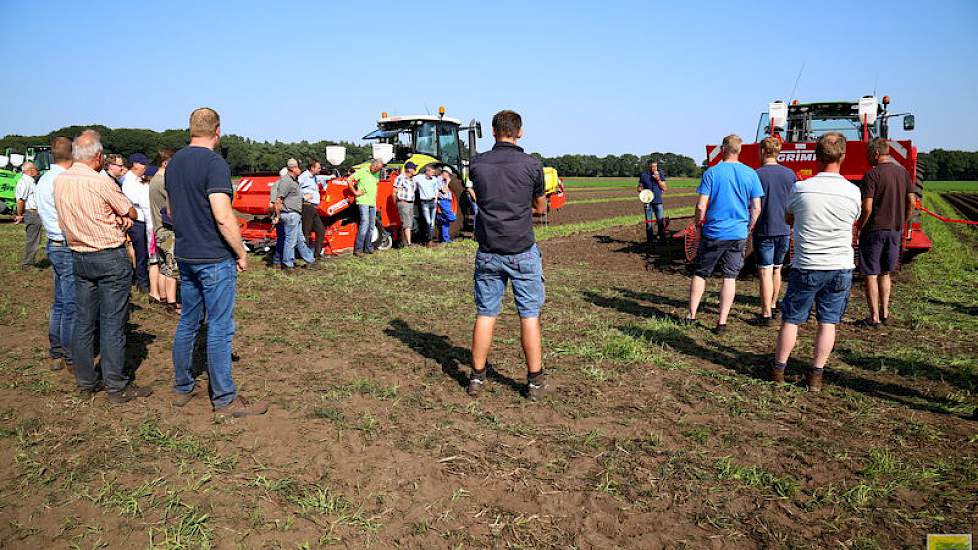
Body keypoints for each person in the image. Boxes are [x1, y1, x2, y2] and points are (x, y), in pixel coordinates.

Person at [166, 107, 267, 417]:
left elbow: (170, 209)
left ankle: (183, 386)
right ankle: (224, 398)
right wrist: (240, 251)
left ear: (191, 129)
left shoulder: (174, 164)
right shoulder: (215, 164)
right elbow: (223, 216)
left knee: (188, 322)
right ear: (218, 131)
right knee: (220, 327)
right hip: (213, 257)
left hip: (185, 254)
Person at [54, 130, 150, 403]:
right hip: (108, 256)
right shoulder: (99, 182)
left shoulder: (60, 181)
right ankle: (116, 385)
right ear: (97, 157)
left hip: (79, 256)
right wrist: (123, 218)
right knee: (112, 323)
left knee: (84, 322)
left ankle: (86, 381)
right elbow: (129, 210)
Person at [467, 110, 548, 401]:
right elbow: (540, 207)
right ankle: (535, 381)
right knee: (529, 315)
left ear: (493, 131)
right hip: (522, 250)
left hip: (488, 251)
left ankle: (476, 376)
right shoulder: (531, 164)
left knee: (486, 313)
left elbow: (481, 195)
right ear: (520, 132)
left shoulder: (477, 164)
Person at [771, 132, 861, 391]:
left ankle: (778, 370)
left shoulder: (801, 188)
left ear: (815, 155)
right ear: (843, 156)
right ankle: (816, 376)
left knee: (791, 319)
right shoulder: (853, 192)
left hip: (807, 263)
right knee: (828, 322)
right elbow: (853, 220)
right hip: (840, 266)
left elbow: (790, 219)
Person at [687, 134, 763, 334]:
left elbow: (701, 205)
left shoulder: (712, 173)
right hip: (738, 233)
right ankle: (721, 322)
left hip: (714, 232)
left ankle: (692, 315)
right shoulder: (751, 174)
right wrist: (749, 227)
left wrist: (698, 225)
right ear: (740, 150)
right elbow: (756, 208)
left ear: (723, 149)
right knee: (730, 277)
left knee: (701, 273)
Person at [858, 138, 915, 327]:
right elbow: (912, 202)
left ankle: (873, 317)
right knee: (885, 272)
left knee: (870, 274)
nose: (866, 157)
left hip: (874, 230)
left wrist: (859, 226)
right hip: (894, 230)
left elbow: (867, 207)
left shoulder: (871, 176)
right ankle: (885, 312)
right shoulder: (903, 173)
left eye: (868, 154)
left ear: (875, 154)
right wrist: (903, 221)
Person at [34, 137, 75, 372]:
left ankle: (57, 349)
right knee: (71, 303)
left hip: (53, 241)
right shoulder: (63, 180)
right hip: (66, 243)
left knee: (59, 302)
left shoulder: (44, 179)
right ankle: (70, 354)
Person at [753, 137, 797, 325]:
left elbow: (753, 204)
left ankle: (765, 314)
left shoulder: (756, 174)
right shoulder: (790, 174)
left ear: (763, 151)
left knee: (764, 271)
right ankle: (772, 304)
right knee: (777, 269)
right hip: (784, 229)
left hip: (764, 229)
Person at [149, 149, 180, 313]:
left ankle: (163, 297)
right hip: (167, 231)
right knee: (172, 267)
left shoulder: (154, 180)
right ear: (166, 163)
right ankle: (172, 303)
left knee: (163, 266)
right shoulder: (163, 182)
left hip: (158, 229)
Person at [272, 159, 317, 269]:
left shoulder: (293, 181)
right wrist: (277, 216)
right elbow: (278, 200)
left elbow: (293, 197)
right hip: (290, 214)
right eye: (298, 167)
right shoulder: (286, 181)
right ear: (292, 169)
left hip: (296, 214)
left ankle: (310, 259)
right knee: (290, 241)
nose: (300, 170)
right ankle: (287, 264)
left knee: (300, 239)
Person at [121, 153, 152, 292]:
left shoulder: (138, 179)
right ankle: (142, 282)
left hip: (143, 219)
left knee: (144, 252)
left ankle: (142, 279)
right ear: (134, 164)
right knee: (141, 253)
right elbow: (136, 200)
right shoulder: (128, 181)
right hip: (137, 220)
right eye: (143, 164)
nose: (145, 166)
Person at [348, 158, 384, 256]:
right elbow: (349, 179)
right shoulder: (362, 171)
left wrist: (375, 203)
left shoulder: (376, 174)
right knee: (365, 224)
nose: (378, 171)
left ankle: (368, 247)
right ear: (374, 165)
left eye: (379, 169)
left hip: (372, 203)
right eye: (377, 168)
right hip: (363, 201)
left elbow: (374, 189)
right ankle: (358, 249)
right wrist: (355, 192)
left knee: (372, 226)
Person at [14, 161, 42, 268]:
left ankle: (29, 262)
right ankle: (28, 264)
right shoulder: (25, 182)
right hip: (32, 213)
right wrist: (20, 215)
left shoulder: (29, 181)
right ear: (30, 170)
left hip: (34, 213)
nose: (37, 171)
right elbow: (20, 200)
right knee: (33, 239)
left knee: (35, 239)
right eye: (35, 169)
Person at [298, 157, 327, 260]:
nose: (320, 170)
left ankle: (317, 254)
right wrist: (303, 196)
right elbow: (295, 188)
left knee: (321, 230)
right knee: (306, 232)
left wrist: (330, 177)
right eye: (318, 168)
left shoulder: (314, 177)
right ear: (312, 168)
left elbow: (321, 178)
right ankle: (304, 256)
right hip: (307, 206)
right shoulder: (303, 176)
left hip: (313, 207)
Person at [637, 160, 669, 245]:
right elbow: (640, 186)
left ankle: (663, 241)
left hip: (658, 201)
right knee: (649, 223)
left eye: (655, 166)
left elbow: (665, 188)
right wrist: (639, 189)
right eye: (651, 166)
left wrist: (658, 179)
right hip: (647, 201)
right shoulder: (643, 175)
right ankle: (650, 242)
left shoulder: (660, 174)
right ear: (648, 166)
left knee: (660, 222)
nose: (653, 168)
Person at [414, 164, 440, 247]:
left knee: (432, 223)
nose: (433, 174)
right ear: (427, 171)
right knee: (428, 222)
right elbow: (411, 179)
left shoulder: (434, 179)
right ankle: (427, 240)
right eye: (432, 172)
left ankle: (429, 241)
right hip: (424, 202)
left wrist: (436, 200)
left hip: (433, 202)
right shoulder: (419, 178)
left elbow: (436, 189)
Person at [393, 161, 418, 247]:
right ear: (409, 169)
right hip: (403, 202)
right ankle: (409, 244)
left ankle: (403, 242)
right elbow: (394, 192)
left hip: (410, 203)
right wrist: (395, 203)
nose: (415, 170)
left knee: (409, 223)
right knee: (407, 224)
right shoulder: (401, 178)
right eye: (414, 168)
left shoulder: (413, 179)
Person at [436, 168, 457, 243]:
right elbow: (444, 191)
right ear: (445, 173)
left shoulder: (443, 180)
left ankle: (446, 240)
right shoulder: (439, 180)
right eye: (448, 174)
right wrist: (448, 182)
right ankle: (438, 217)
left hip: (447, 201)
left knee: (445, 222)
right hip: (443, 201)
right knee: (452, 218)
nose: (449, 176)